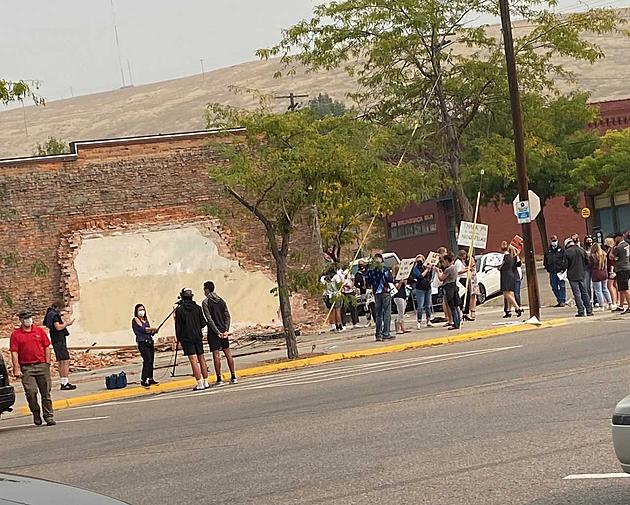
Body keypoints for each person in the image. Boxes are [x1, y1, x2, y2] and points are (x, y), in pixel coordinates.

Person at [10, 309, 55, 426]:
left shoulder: (39, 331)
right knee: (31, 392)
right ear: (20, 320)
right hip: (27, 368)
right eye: (25, 318)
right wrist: (16, 368)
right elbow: (14, 352)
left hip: (41, 365)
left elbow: (47, 347)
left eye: (29, 317)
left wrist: (47, 363)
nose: (28, 320)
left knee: (46, 392)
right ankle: (35, 412)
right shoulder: (16, 335)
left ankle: (48, 416)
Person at [174, 288, 210, 391]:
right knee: (201, 358)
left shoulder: (180, 310)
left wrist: (179, 339)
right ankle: (206, 382)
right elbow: (203, 323)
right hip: (197, 336)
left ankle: (199, 383)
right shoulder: (198, 308)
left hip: (187, 338)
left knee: (193, 360)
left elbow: (178, 327)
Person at [202, 281, 237, 386]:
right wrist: (226, 330)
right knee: (228, 353)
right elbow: (227, 316)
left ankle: (219, 378)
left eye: (204, 289)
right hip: (223, 330)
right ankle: (233, 375)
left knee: (216, 355)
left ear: (207, 289)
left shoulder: (206, 302)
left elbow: (209, 319)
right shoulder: (221, 300)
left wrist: (217, 332)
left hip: (214, 332)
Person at [43, 302, 76, 391]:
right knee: (65, 360)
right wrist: (67, 324)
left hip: (55, 339)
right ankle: (64, 382)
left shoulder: (49, 314)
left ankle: (63, 381)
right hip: (59, 339)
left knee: (61, 360)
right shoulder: (54, 315)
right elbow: (58, 327)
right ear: (57, 307)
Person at [365, 253, 393, 341]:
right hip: (385, 291)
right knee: (387, 313)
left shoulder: (370, 270)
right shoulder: (384, 269)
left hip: (376, 293)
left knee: (378, 314)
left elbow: (367, 283)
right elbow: (389, 279)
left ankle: (378, 334)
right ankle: (386, 333)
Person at [564, 238, 593, 317]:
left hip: (572, 275)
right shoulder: (581, 250)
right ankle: (589, 310)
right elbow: (587, 262)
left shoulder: (567, 252)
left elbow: (565, 265)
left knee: (577, 294)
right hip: (582, 274)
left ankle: (581, 311)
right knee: (585, 292)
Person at [132, 304, 159, 388]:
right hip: (142, 342)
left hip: (149, 341)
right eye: (140, 310)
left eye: (143, 309)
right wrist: (152, 329)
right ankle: (144, 379)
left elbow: (149, 331)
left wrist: (153, 331)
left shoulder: (146, 320)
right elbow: (143, 329)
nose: (142, 311)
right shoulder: (135, 319)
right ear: (136, 311)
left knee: (151, 360)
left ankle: (150, 378)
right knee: (147, 360)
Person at [436, 252, 461, 330]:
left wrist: (437, 272)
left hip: (449, 288)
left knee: (452, 306)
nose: (443, 263)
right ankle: (458, 322)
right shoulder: (454, 268)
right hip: (454, 286)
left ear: (447, 261)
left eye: (444, 261)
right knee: (455, 306)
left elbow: (441, 278)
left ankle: (456, 323)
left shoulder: (449, 269)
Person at [409, 255, 433, 329]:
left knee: (428, 305)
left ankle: (428, 320)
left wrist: (430, 269)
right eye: (418, 260)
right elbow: (420, 276)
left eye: (421, 260)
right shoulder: (415, 269)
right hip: (420, 288)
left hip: (428, 287)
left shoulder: (425, 267)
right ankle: (419, 321)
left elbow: (430, 275)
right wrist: (427, 270)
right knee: (420, 306)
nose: (420, 262)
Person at [499, 242, 522, 318]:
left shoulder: (504, 257)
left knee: (506, 294)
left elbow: (499, 267)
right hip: (511, 275)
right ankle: (508, 311)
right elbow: (518, 263)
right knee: (510, 293)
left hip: (506, 275)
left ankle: (517, 308)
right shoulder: (511, 257)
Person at [544, 235, 567, 307]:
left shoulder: (561, 250)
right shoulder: (548, 251)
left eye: (555, 240)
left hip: (560, 272)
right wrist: (548, 269)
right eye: (553, 241)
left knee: (562, 286)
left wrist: (563, 268)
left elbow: (565, 260)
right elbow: (545, 262)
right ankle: (559, 300)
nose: (554, 242)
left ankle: (562, 300)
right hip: (552, 272)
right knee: (554, 287)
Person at [589, 243, 613, 311]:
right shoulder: (604, 255)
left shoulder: (592, 256)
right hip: (604, 273)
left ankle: (601, 305)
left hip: (596, 274)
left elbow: (590, 266)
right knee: (605, 289)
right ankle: (610, 304)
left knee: (598, 291)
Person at [613, 232, 630, 314]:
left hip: (621, 268)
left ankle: (629, 306)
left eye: (615, 237)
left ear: (619, 237)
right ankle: (621, 305)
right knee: (621, 288)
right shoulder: (627, 245)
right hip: (627, 266)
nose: (614, 239)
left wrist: (613, 246)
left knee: (624, 288)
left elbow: (611, 256)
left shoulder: (619, 247)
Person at [354, 260, 375, 327]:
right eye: (359, 264)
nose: (361, 266)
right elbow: (355, 283)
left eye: (362, 264)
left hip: (370, 290)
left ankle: (375, 320)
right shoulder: (357, 274)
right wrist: (360, 286)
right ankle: (368, 320)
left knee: (372, 305)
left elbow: (372, 280)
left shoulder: (368, 272)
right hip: (363, 292)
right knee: (366, 307)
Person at [392, 265, 407, 335]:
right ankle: (397, 327)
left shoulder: (402, 277)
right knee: (400, 312)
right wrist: (400, 283)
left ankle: (403, 327)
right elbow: (396, 288)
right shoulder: (395, 279)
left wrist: (404, 280)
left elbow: (405, 285)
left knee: (402, 312)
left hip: (403, 295)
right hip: (398, 296)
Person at [604, 237, 619, 310]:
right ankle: (617, 300)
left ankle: (614, 301)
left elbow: (612, 262)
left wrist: (612, 271)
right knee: (615, 285)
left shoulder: (611, 250)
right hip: (614, 269)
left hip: (612, 269)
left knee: (610, 286)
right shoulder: (612, 249)